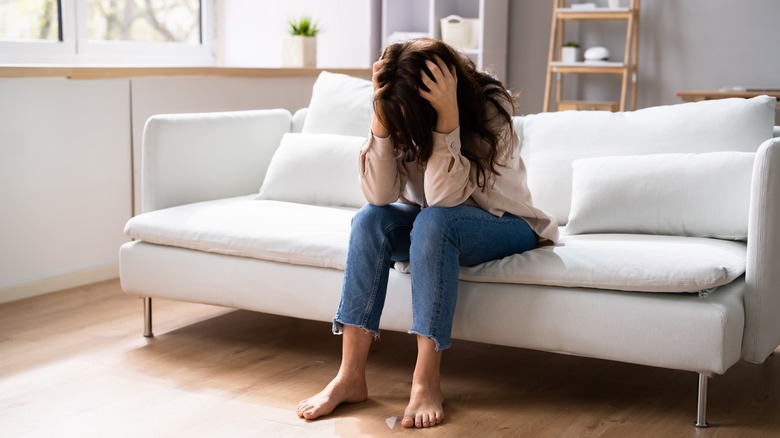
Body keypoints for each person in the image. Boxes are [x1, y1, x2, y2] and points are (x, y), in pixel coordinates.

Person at [296, 38, 558, 428]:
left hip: (509, 225)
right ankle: (350, 375)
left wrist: (446, 119)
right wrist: (382, 116)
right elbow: (380, 194)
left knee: (435, 222)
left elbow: (442, 199)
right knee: (370, 219)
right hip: (433, 224)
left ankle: (426, 380)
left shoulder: (490, 110)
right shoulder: (398, 106)